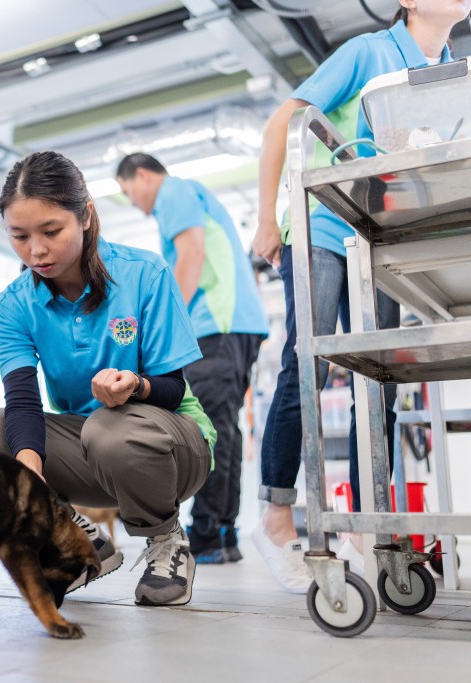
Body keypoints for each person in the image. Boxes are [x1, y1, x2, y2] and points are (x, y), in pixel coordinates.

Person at [250, 0, 469, 592]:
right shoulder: (367, 52)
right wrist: (267, 218)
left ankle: (367, 525)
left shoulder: (453, 72)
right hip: (323, 223)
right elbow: (284, 123)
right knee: (309, 365)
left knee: (383, 377)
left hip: (386, 236)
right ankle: (273, 516)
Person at [0, 151, 215, 606]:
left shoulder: (144, 274)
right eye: (19, 236)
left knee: (109, 427)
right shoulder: (14, 305)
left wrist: (136, 385)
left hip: (172, 448)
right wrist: (28, 474)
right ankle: (75, 540)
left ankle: (166, 539)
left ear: (86, 215)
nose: (36, 250)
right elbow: (22, 402)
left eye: (51, 231)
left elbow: (172, 390)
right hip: (91, 450)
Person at [115, 153, 268, 564]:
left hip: (214, 324)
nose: (134, 203)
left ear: (144, 176)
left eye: (130, 192)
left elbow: (191, 256)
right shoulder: (193, 195)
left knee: (205, 429)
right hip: (238, 325)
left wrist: (168, 326)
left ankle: (205, 536)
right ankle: (220, 533)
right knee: (225, 429)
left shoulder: (174, 191)